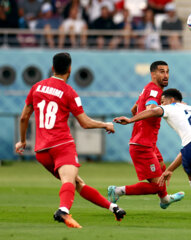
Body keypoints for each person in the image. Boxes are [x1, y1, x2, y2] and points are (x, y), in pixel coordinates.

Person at [14, 52, 126, 229]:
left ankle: (113, 207)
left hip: (42, 151)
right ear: (70, 69)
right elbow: (85, 123)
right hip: (61, 145)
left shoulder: (36, 87)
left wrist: (22, 141)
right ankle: (63, 210)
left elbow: (23, 117)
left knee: (77, 183)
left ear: (52, 68)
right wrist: (105, 124)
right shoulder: (69, 92)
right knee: (69, 181)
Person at [114, 88, 191, 216]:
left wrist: (131, 120)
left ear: (171, 100)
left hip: (190, 146)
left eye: (162, 101)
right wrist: (170, 169)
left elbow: (154, 111)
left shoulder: (170, 107)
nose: (161, 104)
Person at [107, 61, 184, 210]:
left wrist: (141, 125)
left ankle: (165, 199)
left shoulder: (147, 89)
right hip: (142, 145)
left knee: (162, 170)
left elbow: (134, 108)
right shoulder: (155, 91)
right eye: (162, 72)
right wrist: (160, 110)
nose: (166, 75)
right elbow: (151, 108)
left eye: (167, 72)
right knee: (156, 186)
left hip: (148, 143)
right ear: (153, 74)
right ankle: (117, 191)